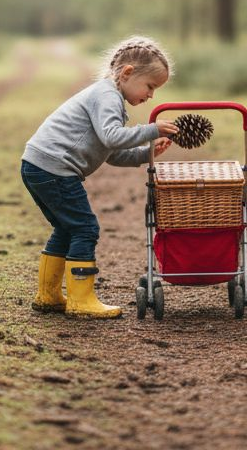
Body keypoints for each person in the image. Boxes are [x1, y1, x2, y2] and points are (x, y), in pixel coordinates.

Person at [21, 36, 177, 319]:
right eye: (150, 86)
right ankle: (81, 300)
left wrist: (146, 153)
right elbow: (112, 137)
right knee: (85, 228)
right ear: (127, 73)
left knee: (66, 228)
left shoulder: (109, 97)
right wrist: (152, 130)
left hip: (38, 165)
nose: (151, 95)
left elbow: (111, 152)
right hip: (55, 168)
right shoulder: (107, 96)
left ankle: (48, 295)